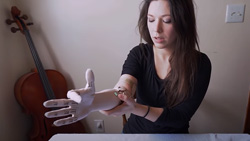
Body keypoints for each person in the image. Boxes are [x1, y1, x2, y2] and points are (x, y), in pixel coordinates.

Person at [44, 0, 211, 133]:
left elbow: (179, 118)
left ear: (184, 22)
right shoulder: (140, 54)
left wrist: (136, 108)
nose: (156, 29)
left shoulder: (200, 64)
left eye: (167, 21)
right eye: (151, 19)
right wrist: (94, 102)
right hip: (135, 134)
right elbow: (122, 90)